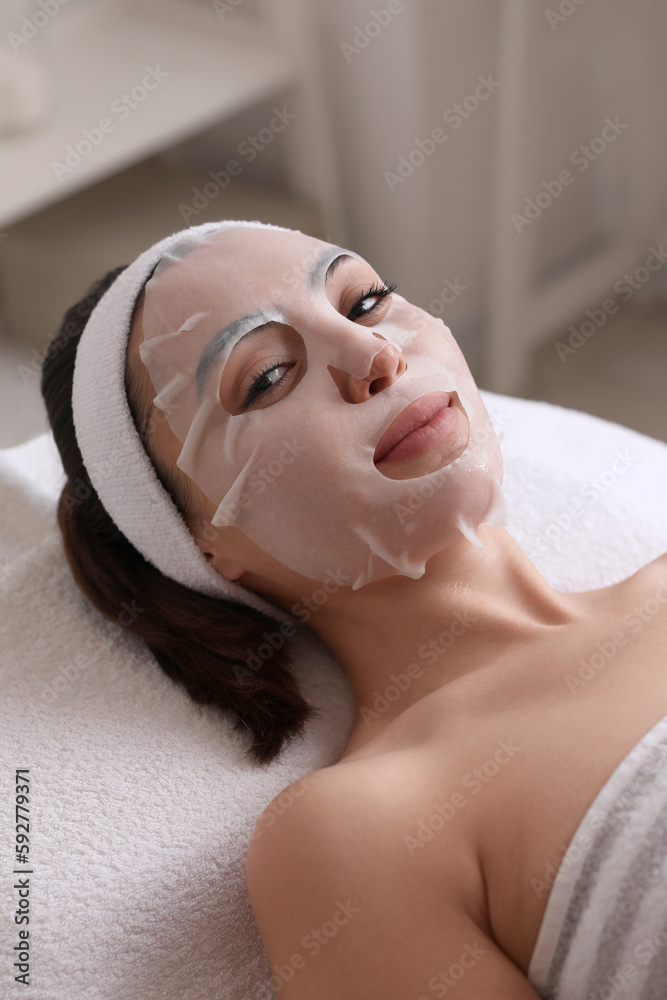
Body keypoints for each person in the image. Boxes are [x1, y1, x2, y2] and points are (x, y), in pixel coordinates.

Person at [41, 220, 667, 999]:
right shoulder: (357, 835)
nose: (374, 358)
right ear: (202, 543)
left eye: (364, 302)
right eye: (266, 377)